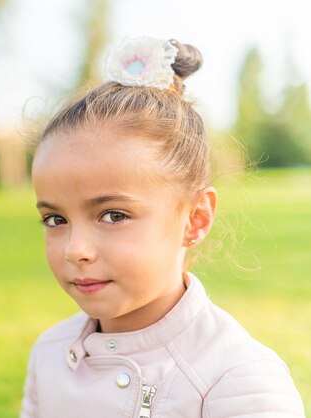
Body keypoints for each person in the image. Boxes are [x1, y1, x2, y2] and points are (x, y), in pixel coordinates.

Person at [20, 37, 305, 418]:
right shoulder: (50, 353)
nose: (75, 249)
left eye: (114, 215)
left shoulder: (239, 382)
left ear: (196, 219)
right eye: (56, 219)